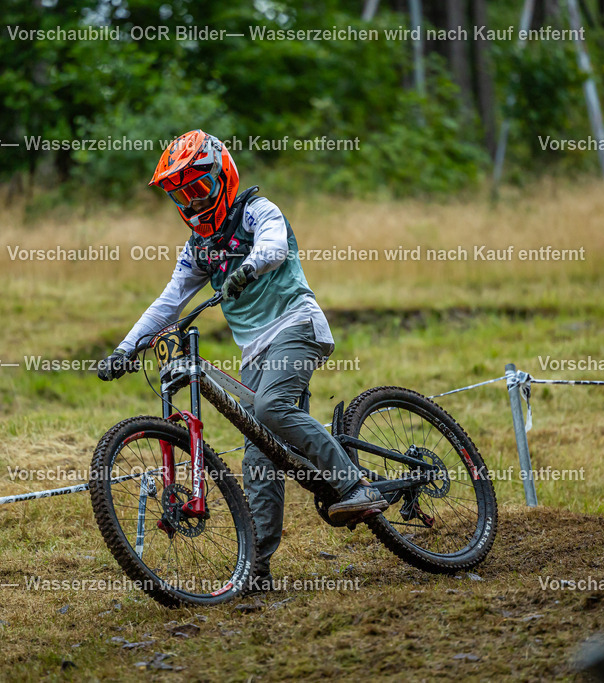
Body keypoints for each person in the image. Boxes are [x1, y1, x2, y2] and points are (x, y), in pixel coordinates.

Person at [98, 130, 388, 590]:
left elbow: (273, 249)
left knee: (271, 409)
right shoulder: (197, 248)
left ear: (222, 176)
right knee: (259, 455)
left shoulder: (257, 211)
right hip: (255, 352)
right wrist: (124, 349)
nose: (192, 203)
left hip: (297, 325)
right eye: (181, 194)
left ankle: (355, 484)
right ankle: (258, 568)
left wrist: (246, 269)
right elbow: (168, 303)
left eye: (198, 188)